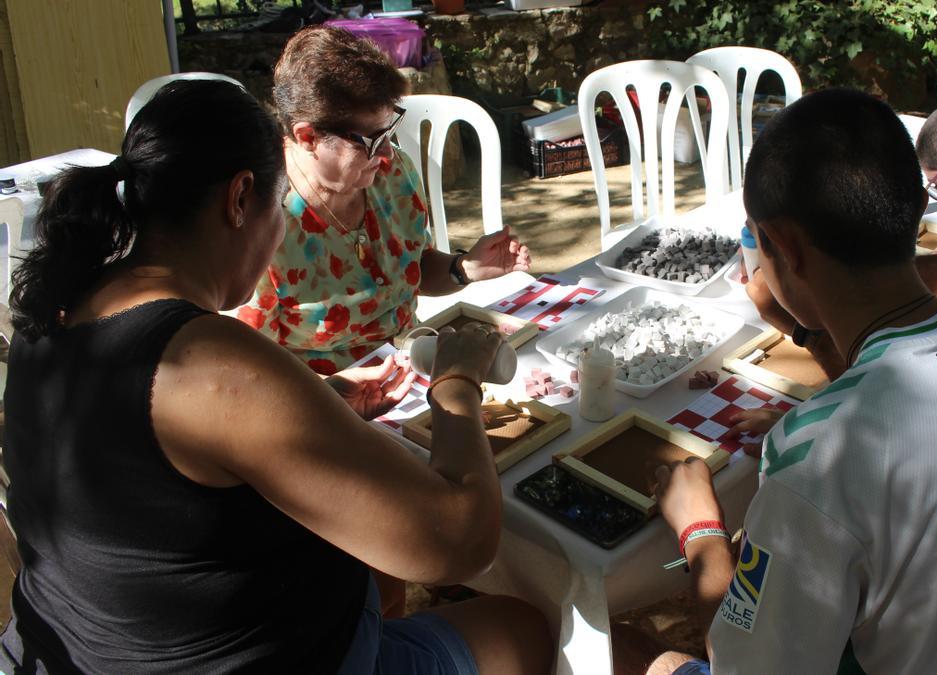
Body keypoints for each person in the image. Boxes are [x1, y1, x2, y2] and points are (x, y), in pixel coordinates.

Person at [0, 80, 550, 674]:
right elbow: (461, 541)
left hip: (77, 651)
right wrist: (456, 382)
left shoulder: (50, 309)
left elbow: (160, 471)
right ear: (240, 199)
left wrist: (312, 401)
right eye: (278, 204)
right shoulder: (210, 363)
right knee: (524, 628)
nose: (282, 230)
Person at [614, 89, 937, 675]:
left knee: (643, 655)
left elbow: (743, 664)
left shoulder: (818, 455)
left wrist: (701, 533)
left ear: (785, 248)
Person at [233, 26, 532, 375]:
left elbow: (412, 268)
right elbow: (253, 366)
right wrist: (336, 394)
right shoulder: (263, 220)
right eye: (370, 140)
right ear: (308, 136)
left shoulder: (394, 175)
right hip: (325, 396)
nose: (388, 150)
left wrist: (463, 269)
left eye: (388, 130)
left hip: (412, 363)